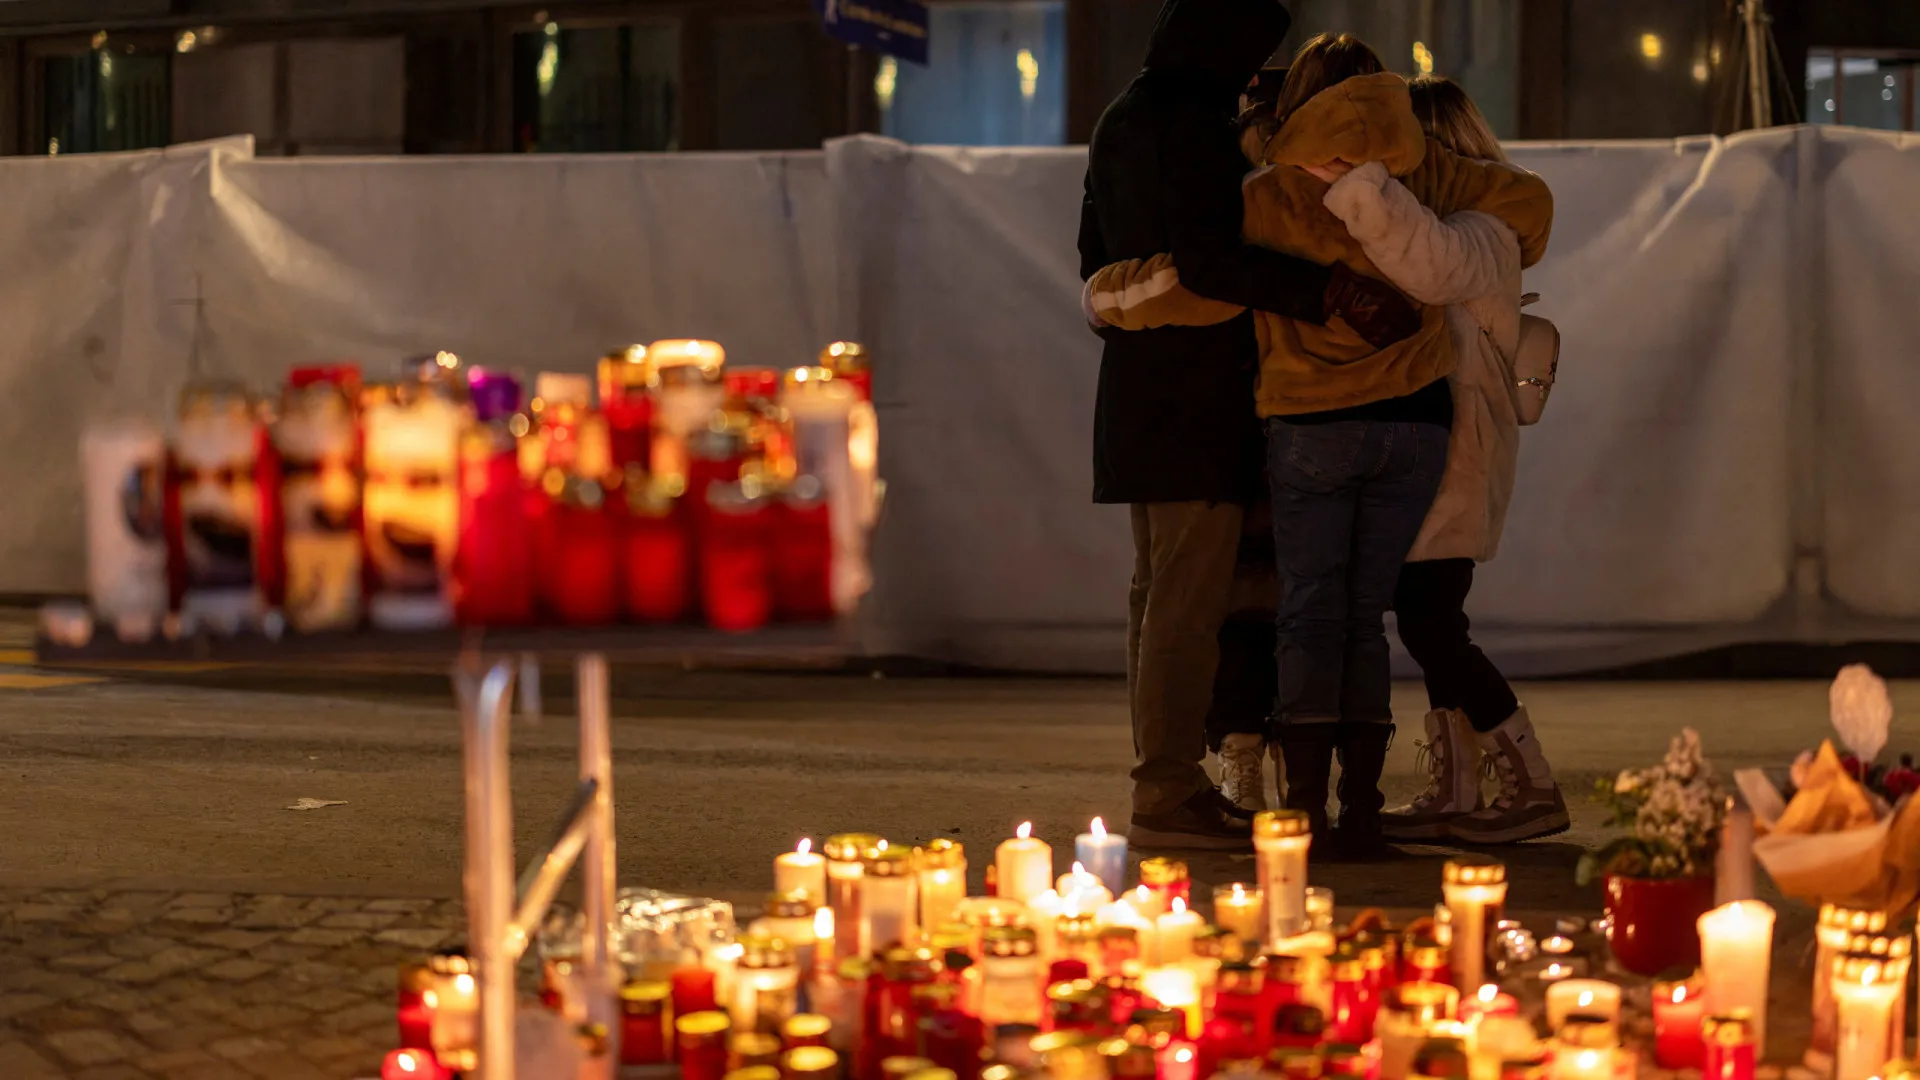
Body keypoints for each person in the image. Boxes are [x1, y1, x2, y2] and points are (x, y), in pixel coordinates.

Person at [1084, 33, 1554, 851]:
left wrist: (1107, 297)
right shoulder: (1435, 187)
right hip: (1416, 430)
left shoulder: (1273, 194)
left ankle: (1303, 805)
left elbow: (1199, 284)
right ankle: (1366, 810)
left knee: (1307, 616)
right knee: (1374, 620)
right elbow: (1529, 208)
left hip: (1309, 429)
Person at [1078, 1, 1423, 850]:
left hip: (1133, 394)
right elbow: (1212, 261)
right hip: (1198, 402)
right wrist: (1332, 292)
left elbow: (1093, 259)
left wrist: (1122, 300)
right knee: (1187, 611)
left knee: (1155, 601)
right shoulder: (1194, 125)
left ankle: (1167, 780)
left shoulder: (1121, 115)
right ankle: (1165, 791)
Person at [1315, 74, 1568, 844]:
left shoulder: (1483, 230)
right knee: (1430, 617)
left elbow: (1425, 264)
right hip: (1440, 450)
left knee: (1431, 623)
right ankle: (1458, 785)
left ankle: (1531, 783)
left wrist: (1353, 188)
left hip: (1458, 453)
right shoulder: (1464, 221)